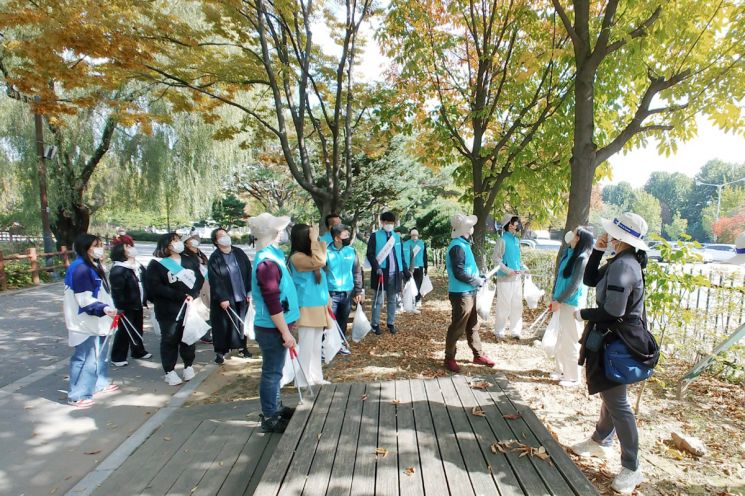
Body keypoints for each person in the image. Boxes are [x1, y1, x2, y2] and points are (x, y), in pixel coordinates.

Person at [571, 212, 656, 495]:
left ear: (621, 238)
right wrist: (597, 249)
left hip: (617, 343)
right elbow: (591, 279)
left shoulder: (624, 266)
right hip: (612, 340)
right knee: (610, 393)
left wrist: (581, 313)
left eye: (611, 234)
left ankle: (632, 466)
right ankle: (599, 441)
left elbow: (613, 311)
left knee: (618, 404)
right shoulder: (621, 262)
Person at [249, 213, 299, 433]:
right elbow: (272, 301)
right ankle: (270, 415)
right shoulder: (267, 262)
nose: (283, 232)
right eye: (279, 229)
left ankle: (275, 407)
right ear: (272, 233)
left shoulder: (272, 256)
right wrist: (285, 333)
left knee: (275, 370)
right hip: (271, 328)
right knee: (272, 372)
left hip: (276, 325)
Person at [63, 234, 119, 408]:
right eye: (95, 245)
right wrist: (103, 309)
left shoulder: (93, 265)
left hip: (99, 319)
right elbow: (84, 299)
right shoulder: (80, 268)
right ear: (84, 247)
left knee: (99, 354)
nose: (99, 248)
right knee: (86, 357)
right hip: (85, 321)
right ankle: (77, 394)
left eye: (100, 245)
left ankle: (99, 383)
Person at [145, 233, 204, 386]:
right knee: (169, 339)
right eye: (174, 241)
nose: (178, 243)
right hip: (168, 310)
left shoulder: (189, 260)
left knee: (188, 337)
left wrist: (193, 294)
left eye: (179, 240)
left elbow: (198, 279)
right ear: (167, 245)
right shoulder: (157, 264)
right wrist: (178, 295)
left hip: (188, 307)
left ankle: (188, 365)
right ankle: (169, 371)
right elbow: (155, 287)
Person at [443, 214, 495, 372]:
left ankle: (478, 355)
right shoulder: (457, 246)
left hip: (468, 291)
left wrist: (478, 278)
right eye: (469, 225)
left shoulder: (463, 244)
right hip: (461, 293)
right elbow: (459, 272)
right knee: (458, 327)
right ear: (464, 229)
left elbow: (465, 269)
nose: (472, 227)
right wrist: (476, 280)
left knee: (473, 325)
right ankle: (449, 358)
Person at [548, 227, 593, 387]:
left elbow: (574, 284)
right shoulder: (569, 253)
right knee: (561, 337)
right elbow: (560, 278)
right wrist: (554, 297)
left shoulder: (582, 258)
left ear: (579, 238)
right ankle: (561, 370)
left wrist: (559, 300)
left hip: (571, 303)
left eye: (575, 233)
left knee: (571, 339)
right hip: (561, 301)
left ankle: (573, 377)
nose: (572, 235)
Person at [289, 223, 332, 386]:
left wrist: (327, 299)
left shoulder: (309, 256)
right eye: (311, 236)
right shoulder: (297, 257)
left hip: (318, 304)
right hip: (306, 306)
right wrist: (315, 240)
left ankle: (315, 377)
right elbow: (320, 260)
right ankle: (301, 379)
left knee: (315, 346)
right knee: (306, 346)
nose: (314, 238)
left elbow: (321, 258)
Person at [207, 227, 253, 364]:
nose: (225, 237)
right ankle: (220, 352)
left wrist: (250, 292)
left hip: (242, 295)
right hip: (225, 298)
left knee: (241, 323)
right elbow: (214, 279)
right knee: (223, 325)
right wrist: (222, 297)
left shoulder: (238, 252)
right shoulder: (215, 258)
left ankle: (242, 347)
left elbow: (248, 271)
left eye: (226, 234)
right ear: (216, 241)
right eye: (221, 236)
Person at [366, 211, 410, 335]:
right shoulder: (375, 236)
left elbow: (401, 256)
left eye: (391, 223)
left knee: (392, 300)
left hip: (395, 274)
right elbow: (370, 254)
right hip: (380, 272)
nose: (389, 225)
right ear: (382, 222)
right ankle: (375, 324)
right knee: (378, 300)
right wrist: (376, 267)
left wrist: (405, 272)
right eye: (387, 222)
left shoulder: (397, 237)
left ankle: (391, 323)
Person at [109, 242, 151, 366]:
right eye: (127, 247)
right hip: (126, 306)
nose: (131, 248)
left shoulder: (137, 266)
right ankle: (118, 357)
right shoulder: (119, 269)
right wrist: (119, 307)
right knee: (124, 331)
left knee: (137, 328)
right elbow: (117, 290)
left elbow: (145, 283)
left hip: (138, 303)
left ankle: (138, 351)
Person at [492, 214, 528, 339]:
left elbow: (518, 260)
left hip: (517, 279)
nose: (517, 225)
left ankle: (515, 331)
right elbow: (496, 259)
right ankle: (499, 331)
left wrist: (524, 269)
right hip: (505, 279)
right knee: (504, 305)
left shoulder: (516, 240)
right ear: (509, 225)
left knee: (517, 305)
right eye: (515, 222)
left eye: (517, 222)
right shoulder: (501, 240)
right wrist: (508, 270)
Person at [326, 223, 364, 333]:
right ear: (337, 238)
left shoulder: (351, 251)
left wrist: (358, 291)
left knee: (343, 320)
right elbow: (321, 274)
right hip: (331, 293)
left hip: (347, 293)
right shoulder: (326, 252)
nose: (348, 237)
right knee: (330, 322)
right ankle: (328, 346)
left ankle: (341, 343)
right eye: (345, 235)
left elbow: (357, 272)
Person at [182, 231, 212, 343]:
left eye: (196, 238)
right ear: (185, 243)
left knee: (208, 310)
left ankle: (206, 333)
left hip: (207, 285)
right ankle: (201, 334)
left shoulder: (200, 254)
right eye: (192, 239)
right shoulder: (185, 256)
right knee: (199, 310)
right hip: (196, 288)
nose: (195, 240)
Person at [403, 228, 428, 309]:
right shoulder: (406, 243)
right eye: (413, 235)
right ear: (410, 235)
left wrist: (426, 267)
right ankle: (409, 299)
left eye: (416, 235)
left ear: (418, 235)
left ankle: (418, 300)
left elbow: (425, 256)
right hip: (409, 267)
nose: (415, 236)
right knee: (409, 283)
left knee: (419, 283)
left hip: (419, 266)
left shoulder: (422, 243)